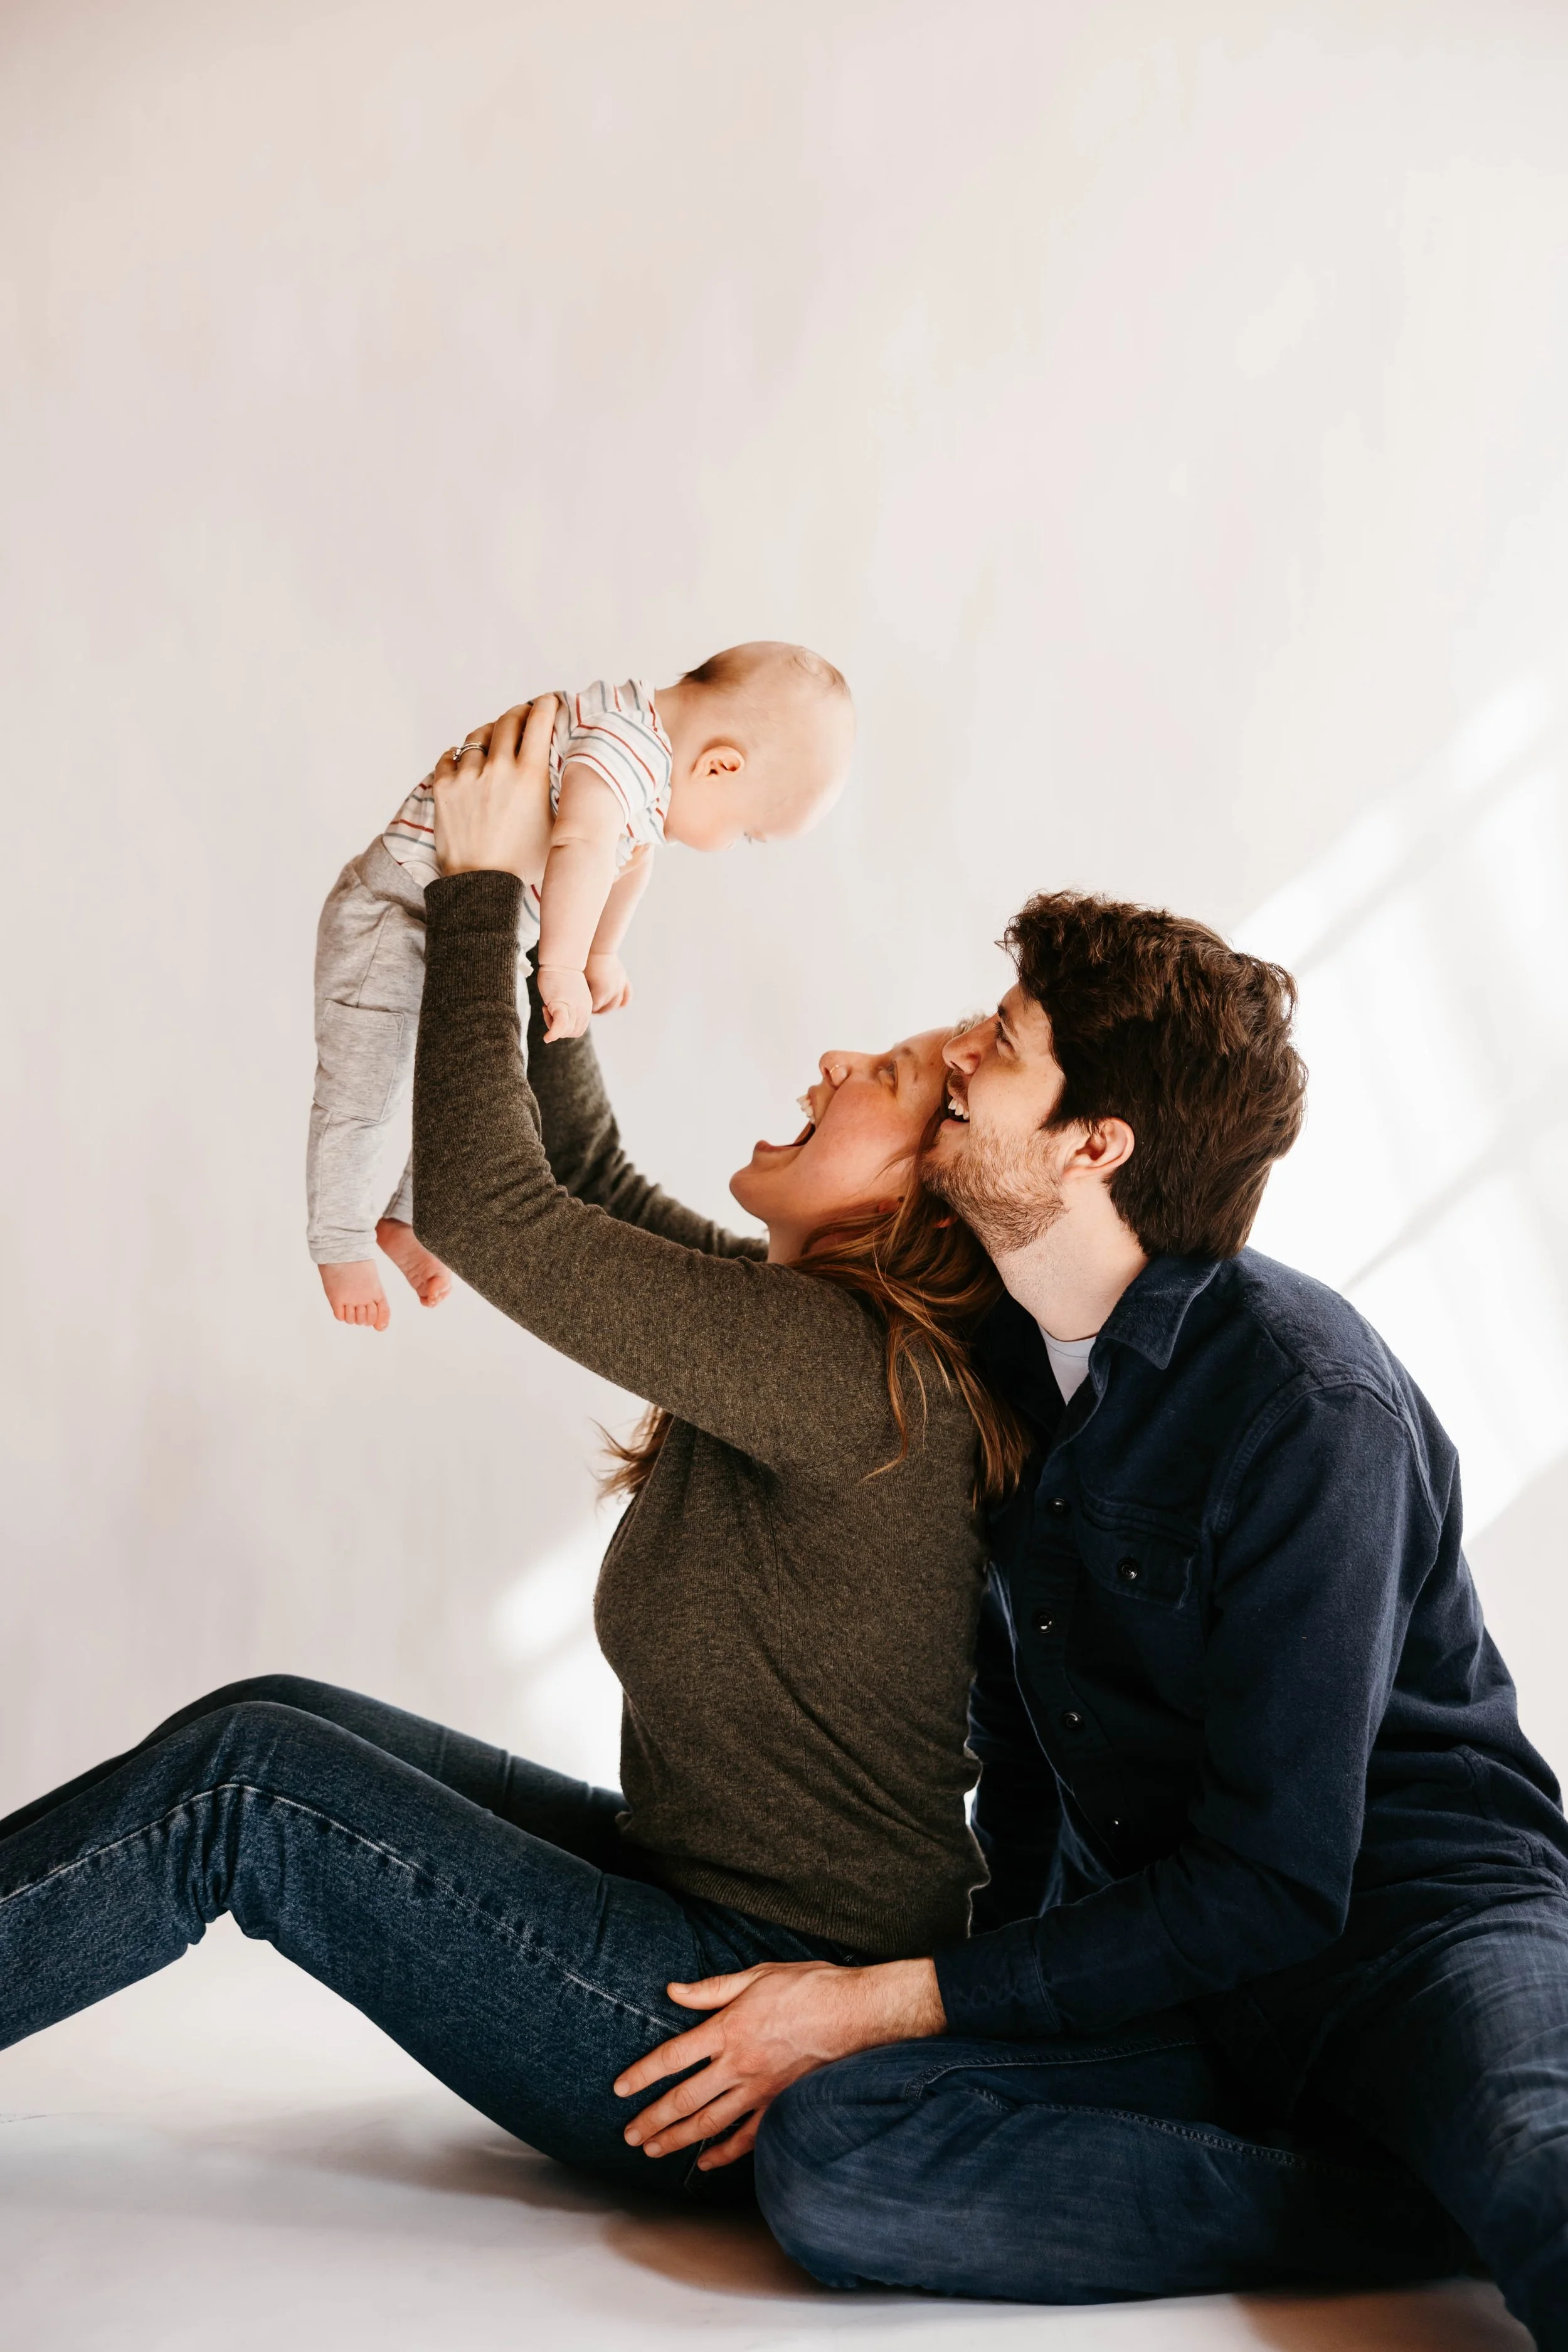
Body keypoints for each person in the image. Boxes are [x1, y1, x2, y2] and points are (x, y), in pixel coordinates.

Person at [0, 694, 1015, 2201]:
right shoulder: (808, 1329)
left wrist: (480, 897)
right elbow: (583, 1172)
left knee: (251, 1783)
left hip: (728, 2026)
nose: (836, 1054)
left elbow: (495, 1209)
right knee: (270, 1710)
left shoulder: (854, 1375)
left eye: (894, 1075)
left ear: (921, 1200)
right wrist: (547, 898)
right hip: (688, 1910)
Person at [628, 892, 1564, 2343]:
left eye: (999, 1047)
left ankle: (1455, 2167)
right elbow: (1018, 1735)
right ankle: (1389, 2203)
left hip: (1421, 1934)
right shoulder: (993, 1355)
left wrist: (885, 1995)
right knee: (832, 2153)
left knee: (1535, 2158)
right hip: (1179, 1970)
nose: (953, 1068)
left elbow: (1277, 1880)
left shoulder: (1306, 1400)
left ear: (1092, 1144)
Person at [309, 642, 854, 1328]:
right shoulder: (623, 750)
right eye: (745, 832)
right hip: (397, 912)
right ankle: (338, 1242)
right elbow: (584, 847)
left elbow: (629, 862)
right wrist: (560, 970)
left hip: (460, 917)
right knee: (362, 1091)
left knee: (475, 1087)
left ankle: (414, 1220)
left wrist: (602, 953)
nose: (728, 843)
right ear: (721, 764)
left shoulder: (642, 759)